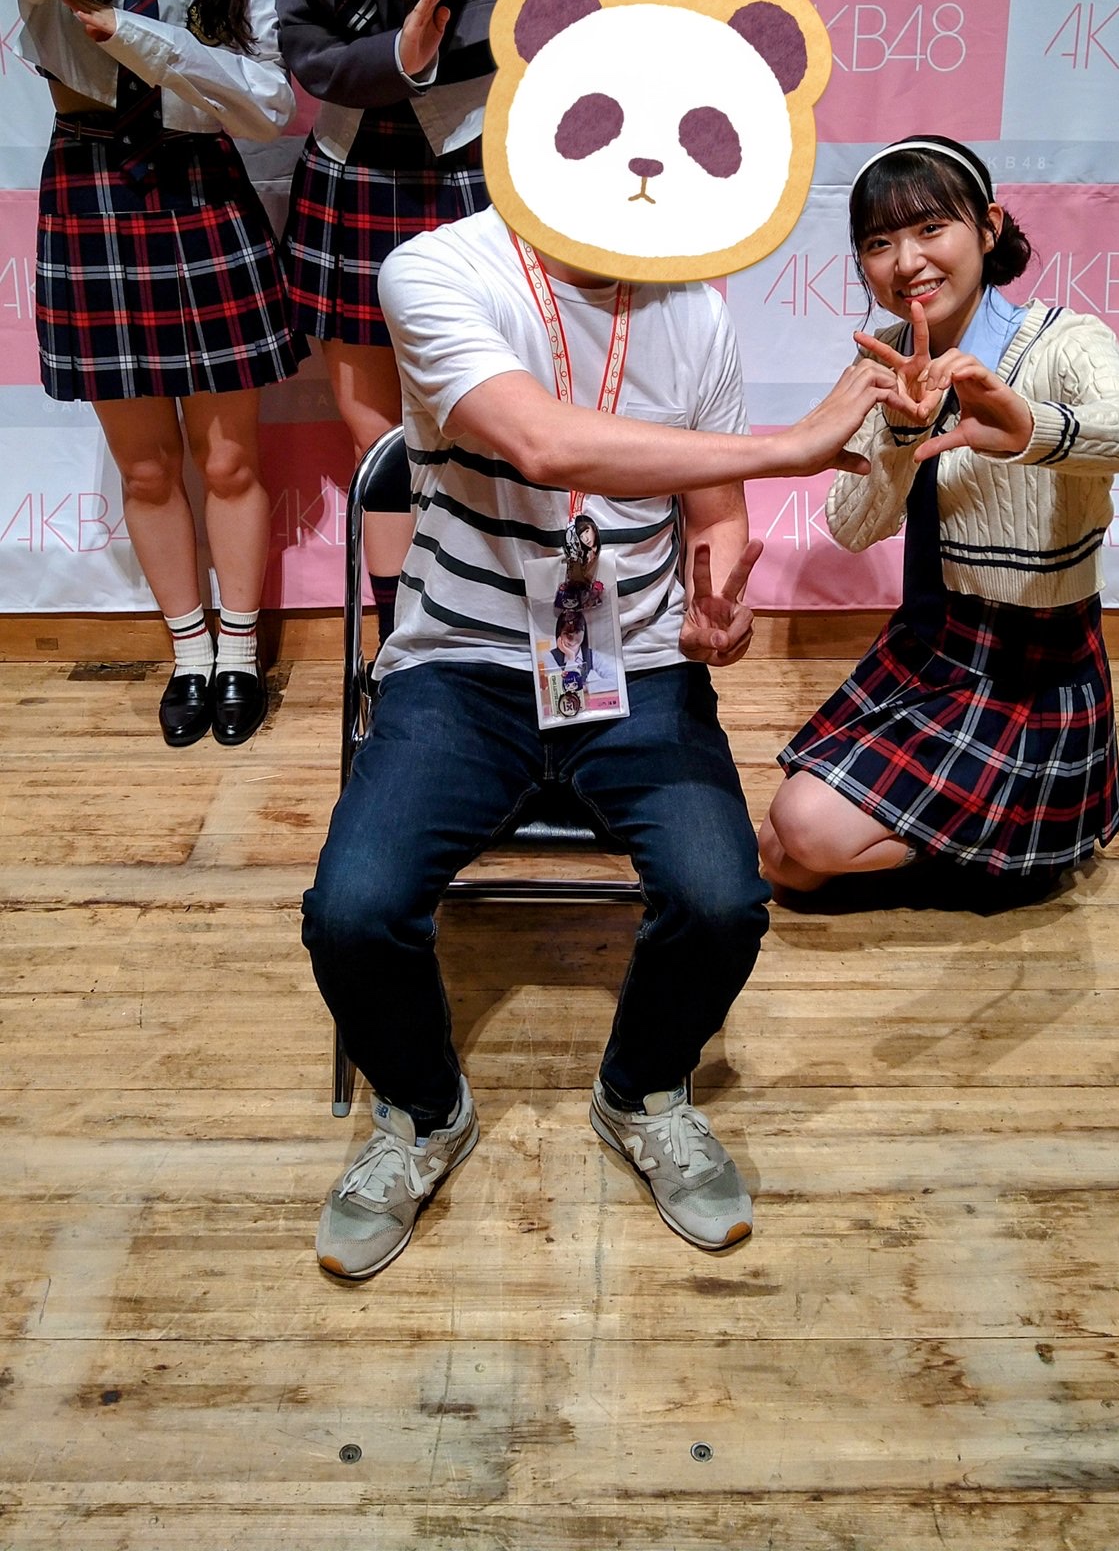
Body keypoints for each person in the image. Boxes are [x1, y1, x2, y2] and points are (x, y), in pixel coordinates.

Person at [299, 199, 902, 1279]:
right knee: (352, 910)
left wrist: (716, 601)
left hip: (639, 663)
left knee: (722, 900)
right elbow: (539, 438)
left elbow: (711, 505)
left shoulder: (693, 309)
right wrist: (792, 445)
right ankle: (423, 1110)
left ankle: (641, 1090)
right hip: (462, 661)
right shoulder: (438, 268)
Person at [0, 0, 301, 749]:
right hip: (90, 187)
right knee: (142, 464)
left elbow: (268, 103)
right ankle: (186, 649)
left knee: (227, 460)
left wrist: (149, 42)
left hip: (200, 188)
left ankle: (238, 650)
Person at [211, 0, 504, 649]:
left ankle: (498, 650)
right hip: (349, 170)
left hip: (468, 164)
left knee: (492, 421)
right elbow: (307, 51)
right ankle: (402, 654)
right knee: (378, 441)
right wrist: (406, 57)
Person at [762, 134, 1119, 903]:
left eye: (930, 228)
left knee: (801, 836)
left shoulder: (1062, 341)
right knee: (780, 855)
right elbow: (851, 527)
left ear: (988, 227)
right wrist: (900, 432)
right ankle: (989, 839)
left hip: (1028, 669)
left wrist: (1029, 426)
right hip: (929, 645)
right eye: (878, 242)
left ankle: (1013, 844)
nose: (906, 261)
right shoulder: (884, 362)